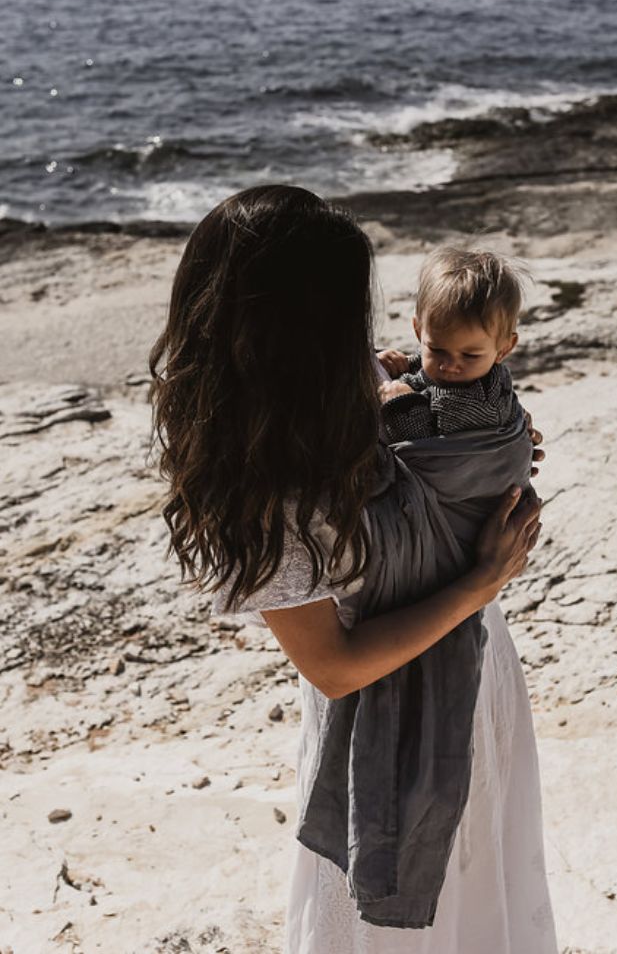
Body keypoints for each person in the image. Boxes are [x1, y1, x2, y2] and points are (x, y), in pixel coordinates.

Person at [149, 185, 558, 953]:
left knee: (475, 898)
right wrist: (479, 582)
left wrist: (484, 447)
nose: (358, 331)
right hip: (383, 707)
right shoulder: (258, 479)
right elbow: (334, 667)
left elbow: (456, 430)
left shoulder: (360, 380)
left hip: (470, 669)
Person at [376, 246, 527, 444]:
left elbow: (429, 449)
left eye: (470, 356)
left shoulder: (484, 406)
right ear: (418, 330)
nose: (449, 366)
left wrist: (403, 405)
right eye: (436, 350)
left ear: (504, 348)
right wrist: (388, 364)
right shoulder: (448, 369)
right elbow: (419, 370)